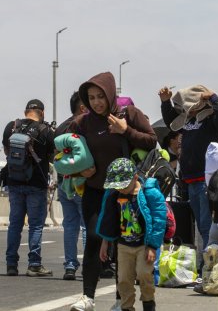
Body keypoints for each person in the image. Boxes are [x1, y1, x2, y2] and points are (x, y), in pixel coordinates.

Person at [68, 71, 158, 311]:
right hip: (96, 191)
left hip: (126, 194)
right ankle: (88, 297)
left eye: (100, 96)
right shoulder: (83, 122)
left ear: (110, 94)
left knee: (122, 246)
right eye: (91, 97)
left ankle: (122, 300)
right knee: (95, 240)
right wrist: (78, 171)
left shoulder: (128, 114)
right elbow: (61, 147)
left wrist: (125, 131)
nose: (97, 102)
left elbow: (152, 141)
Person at [158, 84, 218, 274]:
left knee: (208, 226)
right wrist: (165, 103)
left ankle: (208, 267)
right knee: (202, 227)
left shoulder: (211, 120)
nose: (188, 108)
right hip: (191, 182)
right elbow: (171, 121)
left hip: (206, 181)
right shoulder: (188, 121)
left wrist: (214, 97)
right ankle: (206, 265)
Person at [97, 158, 167, 311]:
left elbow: (159, 219)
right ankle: (126, 307)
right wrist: (105, 241)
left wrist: (153, 246)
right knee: (123, 280)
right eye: (117, 186)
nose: (120, 189)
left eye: (123, 185)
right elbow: (108, 218)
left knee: (144, 275)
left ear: (135, 178)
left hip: (144, 244)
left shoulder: (150, 193)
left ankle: (149, 303)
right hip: (123, 245)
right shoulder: (113, 194)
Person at [1, 99, 56, 277]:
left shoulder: (11, 126)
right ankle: (34, 264)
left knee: (14, 224)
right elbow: (52, 157)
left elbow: (7, 151)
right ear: (42, 112)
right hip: (36, 184)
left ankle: (11, 264)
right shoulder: (46, 131)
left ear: (26, 111)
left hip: (14, 182)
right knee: (35, 226)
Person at [54, 91, 88, 281]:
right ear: (82, 107)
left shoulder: (60, 128)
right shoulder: (83, 126)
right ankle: (88, 266)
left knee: (70, 226)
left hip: (63, 183)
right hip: (82, 183)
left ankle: (69, 265)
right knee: (86, 226)